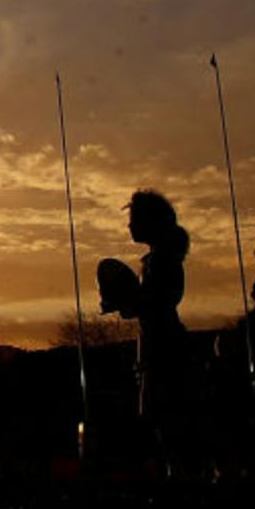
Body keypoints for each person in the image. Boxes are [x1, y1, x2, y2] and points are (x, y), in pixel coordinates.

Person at [101, 189, 191, 470]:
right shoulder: (160, 259)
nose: (129, 225)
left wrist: (128, 300)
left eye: (134, 218)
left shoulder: (161, 262)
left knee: (167, 424)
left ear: (151, 221)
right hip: (161, 344)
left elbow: (159, 301)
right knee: (163, 425)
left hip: (163, 348)